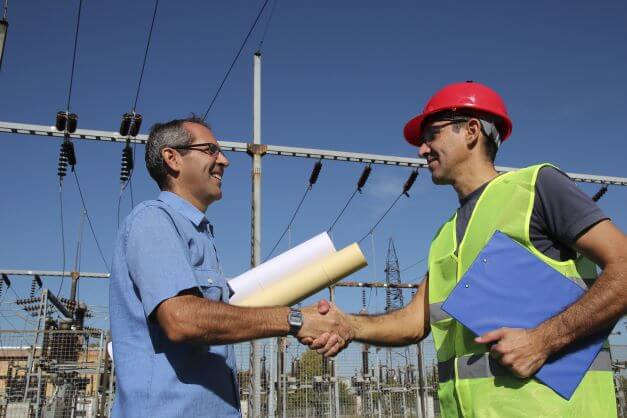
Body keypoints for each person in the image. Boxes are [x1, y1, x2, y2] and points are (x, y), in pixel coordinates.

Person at [307, 81, 626, 417]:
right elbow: (415, 321)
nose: (422, 149)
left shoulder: (536, 187)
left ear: (472, 131)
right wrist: (350, 326)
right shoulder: (445, 235)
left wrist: (544, 339)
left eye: (431, 134)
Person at [109, 117, 349, 417]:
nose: (224, 160)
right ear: (172, 158)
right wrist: (296, 319)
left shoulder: (199, 235)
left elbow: (207, 319)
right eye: (210, 150)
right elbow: (182, 319)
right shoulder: (153, 221)